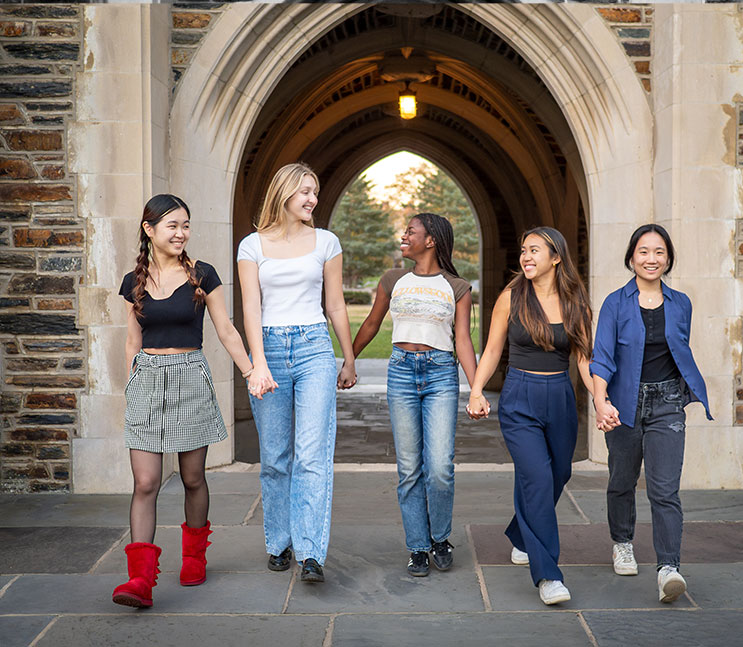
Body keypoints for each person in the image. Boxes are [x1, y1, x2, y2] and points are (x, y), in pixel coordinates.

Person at [113, 194, 264, 608]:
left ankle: (194, 555)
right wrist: (132, 390)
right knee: (145, 482)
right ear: (150, 230)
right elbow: (132, 342)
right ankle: (140, 580)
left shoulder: (202, 276)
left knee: (193, 477)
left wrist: (252, 373)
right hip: (146, 381)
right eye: (172, 226)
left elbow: (227, 331)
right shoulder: (135, 281)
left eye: (185, 225)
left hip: (189, 379)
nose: (181, 233)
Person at [468, 226, 604, 605]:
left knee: (559, 472)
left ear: (556, 258)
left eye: (535, 250)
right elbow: (493, 350)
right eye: (524, 251)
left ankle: (519, 533)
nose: (526, 257)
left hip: (560, 394)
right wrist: (477, 390)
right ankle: (548, 575)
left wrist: (600, 399)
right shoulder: (512, 297)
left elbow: (583, 357)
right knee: (538, 478)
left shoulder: (576, 300)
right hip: (519, 397)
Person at [237, 162, 356, 584]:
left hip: (313, 349)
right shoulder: (251, 246)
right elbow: (251, 307)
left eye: (316, 192)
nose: (312, 199)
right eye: (306, 191)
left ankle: (310, 552)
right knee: (274, 457)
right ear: (284, 192)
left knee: (312, 454)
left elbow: (336, 304)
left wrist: (349, 357)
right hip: (268, 347)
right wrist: (258, 363)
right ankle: (279, 542)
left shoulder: (326, 241)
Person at [351, 213, 477, 577]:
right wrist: (349, 360)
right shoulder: (393, 280)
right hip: (401, 373)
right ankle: (418, 547)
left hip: (440, 374)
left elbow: (464, 341)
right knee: (409, 469)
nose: (403, 236)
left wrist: (477, 389)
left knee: (439, 468)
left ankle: (440, 536)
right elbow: (373, 322)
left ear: (431, 240)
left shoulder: (457, 287)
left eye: (410, 231)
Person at [591, 224, 712, 603]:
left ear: (668, 259)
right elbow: (602, 358)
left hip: (667, 404)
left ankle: (668, 569)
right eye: (644, 252)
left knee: (664, 489)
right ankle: (622, 542)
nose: (651, 259)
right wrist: (601, 401)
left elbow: (678, 351)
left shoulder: (681, 303)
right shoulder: (615, 302)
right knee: (622, 480)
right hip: (624, 404)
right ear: (632, 258)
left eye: (659, 252)